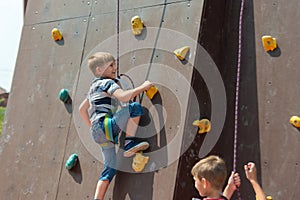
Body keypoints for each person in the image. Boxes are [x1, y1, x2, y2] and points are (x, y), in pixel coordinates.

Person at [79, 52, 153, 200]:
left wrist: (93, 127)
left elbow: (82, 109)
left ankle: (97, 198)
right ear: (99, 70)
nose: (115, 67)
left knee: (110, 167)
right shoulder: (107, 83)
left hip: (97, 132)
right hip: (106, 125)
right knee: (135, 107)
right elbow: (124, 97)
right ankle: (129, 143)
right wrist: (143, 87)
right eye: (111, 65)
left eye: (115, 64)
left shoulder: (93, 88)